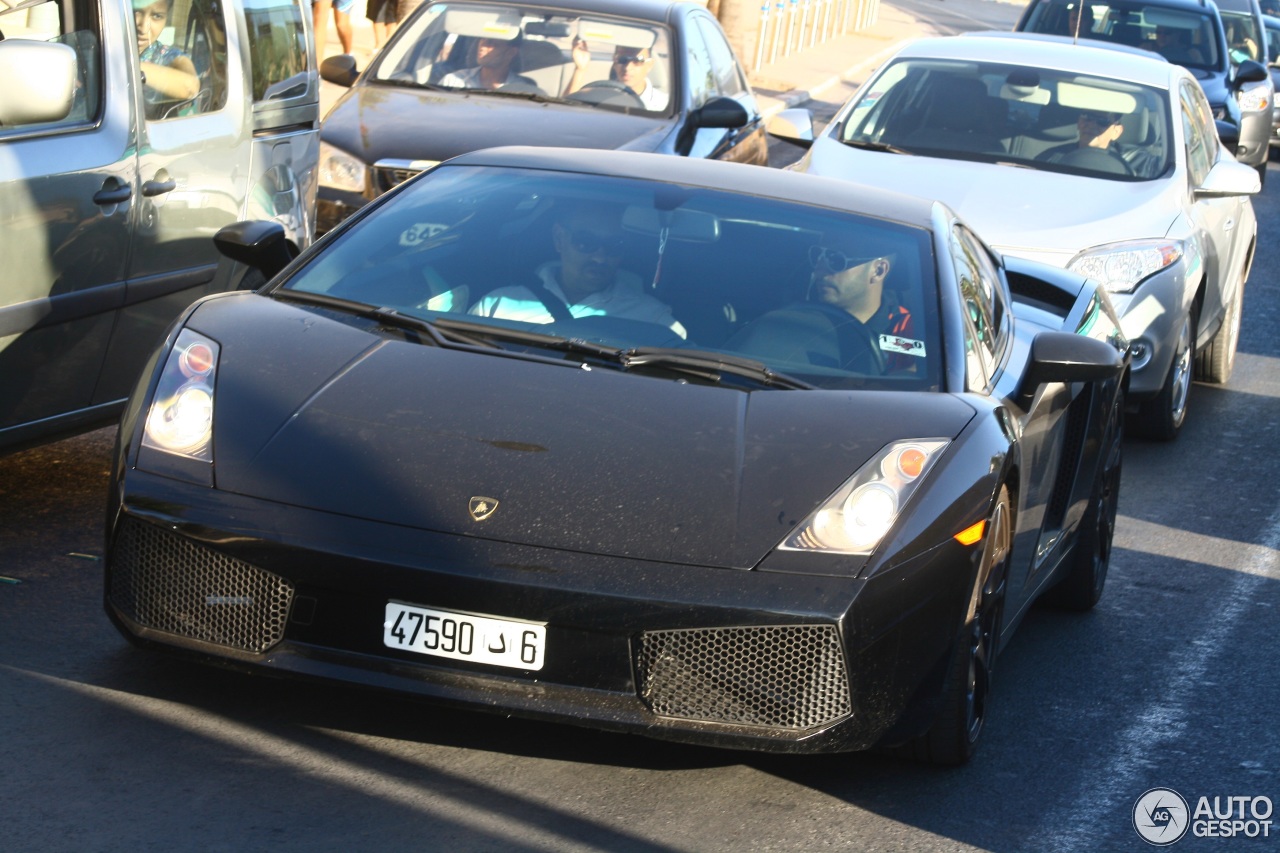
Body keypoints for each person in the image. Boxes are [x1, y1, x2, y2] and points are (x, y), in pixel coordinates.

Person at [469, 201, 686, 337]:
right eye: (586, 242)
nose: (600, 257)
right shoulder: (496, 306)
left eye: (614, 245)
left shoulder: (655, 321)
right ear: (559, 238)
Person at [807, 239, 919, 371]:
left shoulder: (908, 330)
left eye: (836, 260)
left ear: (878, 271)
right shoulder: (798, 321)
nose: (819, 272)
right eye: (818, 256)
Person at [563, 40, 668, 110]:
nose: (627, 68)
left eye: (637, 60)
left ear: (649, 65)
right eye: (622, 59)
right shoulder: (597, 95)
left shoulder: (664, 105)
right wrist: (580, 69)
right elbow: (564, 112)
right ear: (615, 61)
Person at [135, 0, 199, 115]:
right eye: (135, 12)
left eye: (157, 16)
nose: (144, 28)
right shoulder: (98, 47)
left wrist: (130, 67)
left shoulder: (167, 56)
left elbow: (190, 87)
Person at [438, 34, 538, 91]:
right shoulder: (453, 81)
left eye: (492, 43)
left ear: (511, 52)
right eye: (483, 40)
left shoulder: (522, 91)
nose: (482, 46)